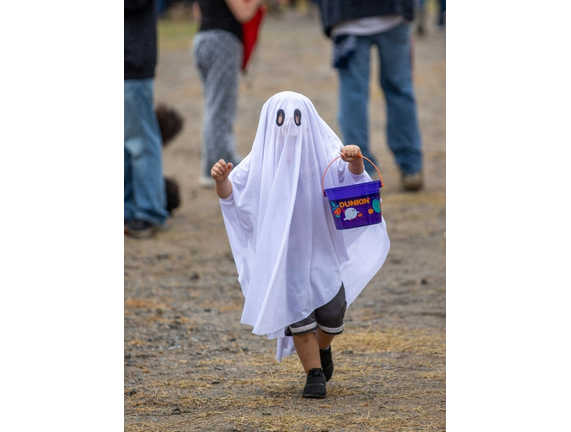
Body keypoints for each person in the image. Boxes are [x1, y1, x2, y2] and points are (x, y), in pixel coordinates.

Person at [210, 92, 390, 398]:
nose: (290, 128)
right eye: (282, 120)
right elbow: (235, 196)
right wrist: (221, 182)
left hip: (323, 254)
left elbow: (351, 182)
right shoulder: (260, 164)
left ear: (309, 122)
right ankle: (314, 374)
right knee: (299, 315)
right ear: (270, 124)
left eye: (297, 119)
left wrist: (355, 161)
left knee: (332, 315)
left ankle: (323, 350)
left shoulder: (326, 155)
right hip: (287, 258)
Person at [315, 0, 424, 191]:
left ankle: (361, 171)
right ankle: (411, 167)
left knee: (353, 95)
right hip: (393, 11)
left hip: (345, 15)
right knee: (399, 90)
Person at [192, 0, 263, 188]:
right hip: (223, 41)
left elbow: (197, 12)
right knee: (221, 109)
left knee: (212, 107)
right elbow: (244, 12)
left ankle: (211, 165)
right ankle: (221, 166)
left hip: (202, 38)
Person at [124, 0, 170, 238]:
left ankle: (150, 211)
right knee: (125, 145)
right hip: (128, 64)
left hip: (133, 63)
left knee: (141, 143)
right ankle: (127, 208)